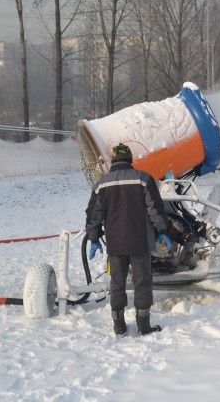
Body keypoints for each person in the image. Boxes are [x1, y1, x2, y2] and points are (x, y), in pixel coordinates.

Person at [85, 143, 170, 336]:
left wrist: (94, 237)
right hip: (140, 242)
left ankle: (119, 325)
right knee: (142, 283)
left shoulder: (101, 184)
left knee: (117, 283)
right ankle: (143, 326)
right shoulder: (143, 179)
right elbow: (155, 209)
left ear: (113, 161)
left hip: (115, 244)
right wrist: (163, 230)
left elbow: (93, 215)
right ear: (130, 160)